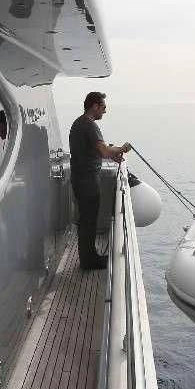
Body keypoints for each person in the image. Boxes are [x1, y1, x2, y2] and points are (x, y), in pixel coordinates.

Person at [69, 92, 131, 270]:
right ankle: (89, 261)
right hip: (87, 180)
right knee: (88, 220)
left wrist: (112, 156)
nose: (105, 110)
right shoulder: (90, 126)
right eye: (103, 107)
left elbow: (93, 150)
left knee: (86, 220)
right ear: (94, 106)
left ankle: (89, 257)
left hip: (81, 179)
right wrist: (122, 148)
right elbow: (104, 151)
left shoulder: (79, 123)